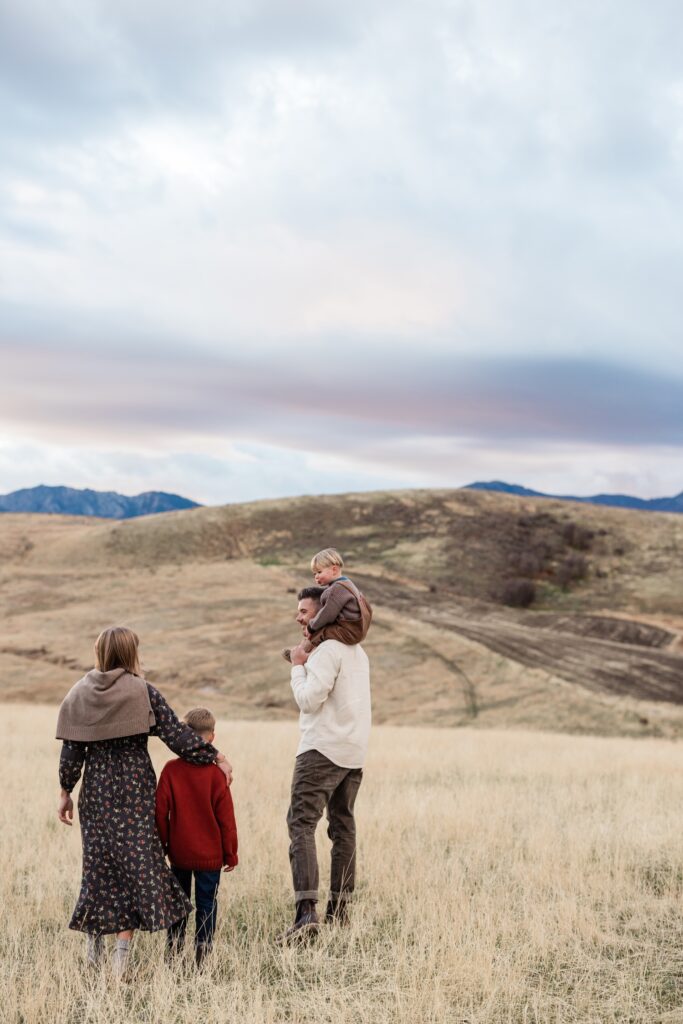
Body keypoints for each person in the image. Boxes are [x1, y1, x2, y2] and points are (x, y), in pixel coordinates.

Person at [56, 626, 233, 977]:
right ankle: (121, 958)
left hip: (97, 792)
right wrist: (215, 756)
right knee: (136, 870)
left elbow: (72, 750)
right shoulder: (142, 692)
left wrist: (65, 790)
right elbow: (178, 736)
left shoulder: (80, 693)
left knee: (98, 869)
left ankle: (94, 951)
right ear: (130, 653)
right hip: (135, 791)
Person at [281, 585, 372, 943]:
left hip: (321, 750)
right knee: (343, 828)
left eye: (305, 611)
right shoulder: (357, 652)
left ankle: (306, 915)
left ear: (325, 612)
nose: (300, 617)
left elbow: (308, 700)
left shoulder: (326, 652)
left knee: (300, 824)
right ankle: (341, 911)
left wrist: (297, 668)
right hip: (353, 752)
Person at [155, 706, 238, 967]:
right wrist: (230, 853)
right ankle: (203, 954)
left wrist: (164, 845)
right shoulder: (218, 775)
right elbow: (227, 821)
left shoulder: (171, 770)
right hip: (211, 856)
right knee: (207, 905)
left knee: (179, 904)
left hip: (179, 854)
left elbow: (160, 812)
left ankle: (174, 952)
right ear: (211, 737)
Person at [282, 547, 372, 662]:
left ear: (334, 570)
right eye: (314, 574)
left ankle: (303, 655)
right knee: (321, 630)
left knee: (320, 632)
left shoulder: (337, 589)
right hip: (355, 629)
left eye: (319, 572)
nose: (316, 577)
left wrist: (311, 626)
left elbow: (327, 614)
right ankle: (303, 652)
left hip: (348, 631)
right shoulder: (348, 585)